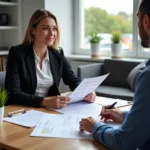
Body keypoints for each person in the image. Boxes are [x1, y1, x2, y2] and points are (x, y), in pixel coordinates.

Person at [79, 0, 150, 149]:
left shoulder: (148, 77)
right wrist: (124, 116)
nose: (136, 25)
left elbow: (124, 141)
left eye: (137, 18)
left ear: (146, 21)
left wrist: (95, 127)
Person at [5, 9, 96, 108]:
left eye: (54, 28)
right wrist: (44, 101)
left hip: (48, 109)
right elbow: (12, 93)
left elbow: (72, 79)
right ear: (33, 30)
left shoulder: (57, 53)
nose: (52, 33)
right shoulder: (17, 53)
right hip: (22, 109)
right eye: (45, 28)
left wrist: (86, 92)